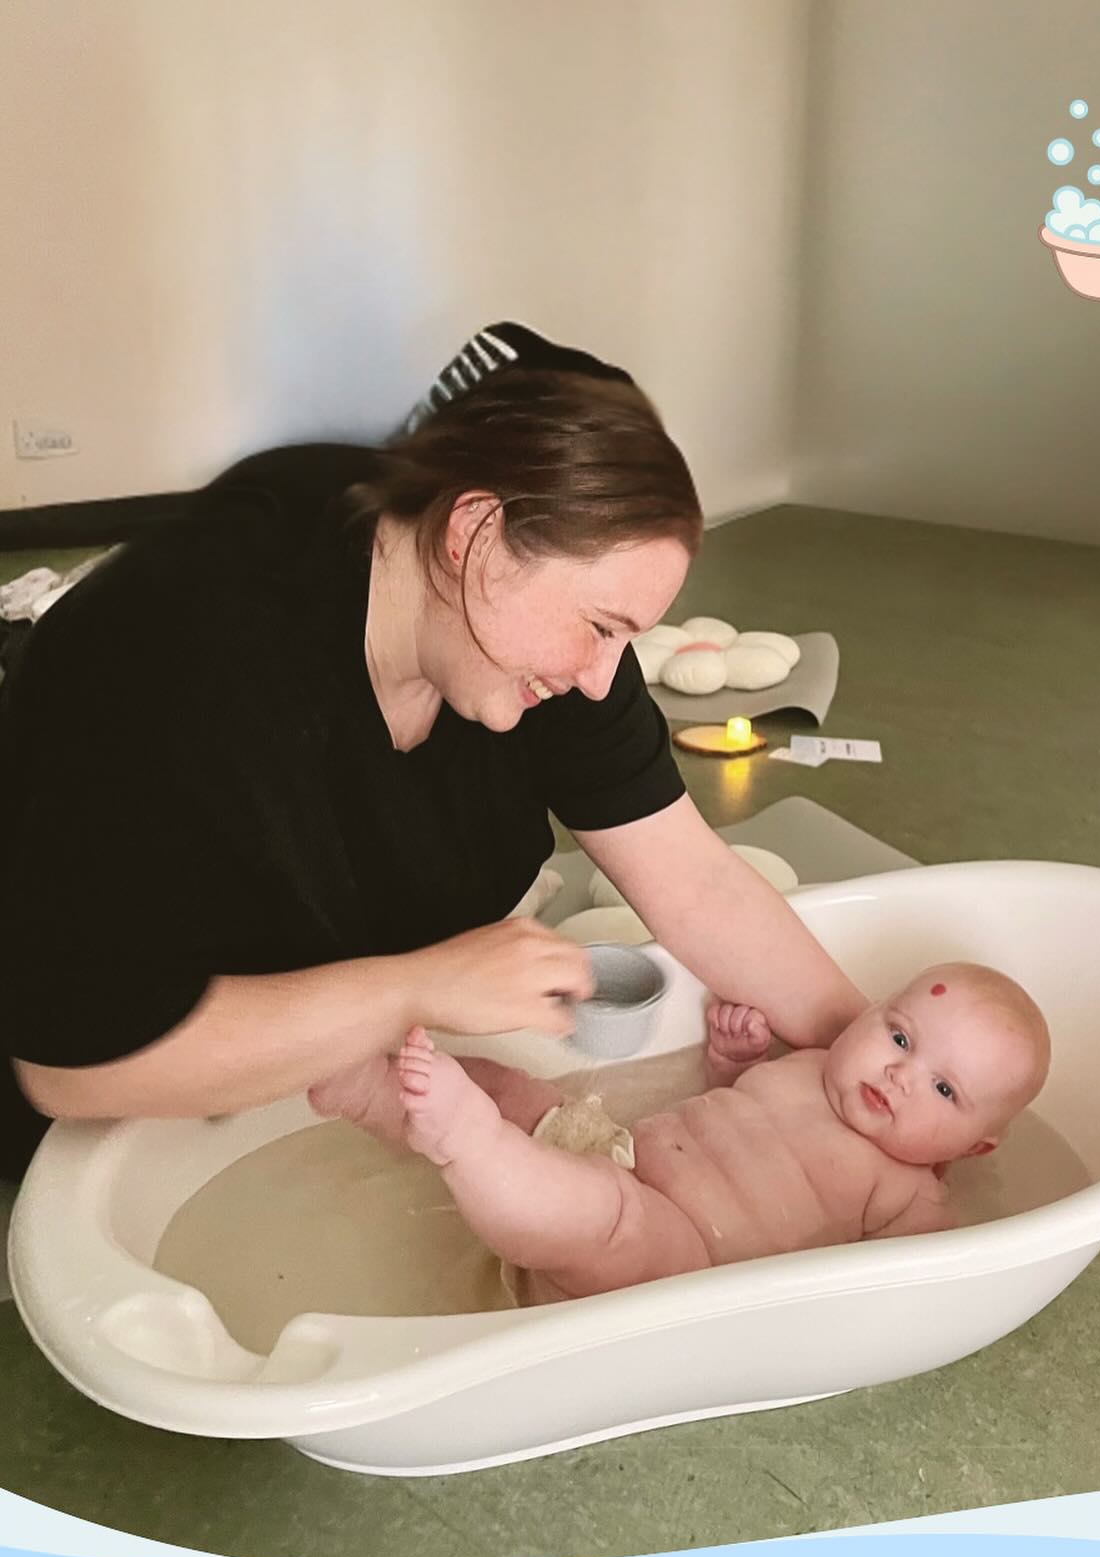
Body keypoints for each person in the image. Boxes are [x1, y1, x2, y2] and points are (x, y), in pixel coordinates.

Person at [0, 324, 867, 1180]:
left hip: (328, 1068)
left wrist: (881, 1057)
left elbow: (697, 882)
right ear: (475, 532)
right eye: (601, 627)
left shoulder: (539, 646)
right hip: (106, 1103)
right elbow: (71, 1063)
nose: (605, 678)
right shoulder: (180, 662)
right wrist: (416, 987)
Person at [380, 961, 1051, 1307]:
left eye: (943, 1090)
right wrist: (730, 1062)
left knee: (602, 1216)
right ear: (871, 1012)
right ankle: (370, 1090)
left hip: (671, 1259)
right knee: (524, 1094)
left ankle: (466, 1140)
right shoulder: (810, 1065)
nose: (901, 1075)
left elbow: (903, 1292)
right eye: (900, 1037)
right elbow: (726, 1108)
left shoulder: (911, 1196)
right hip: (614, 1149)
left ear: (973, 1147)